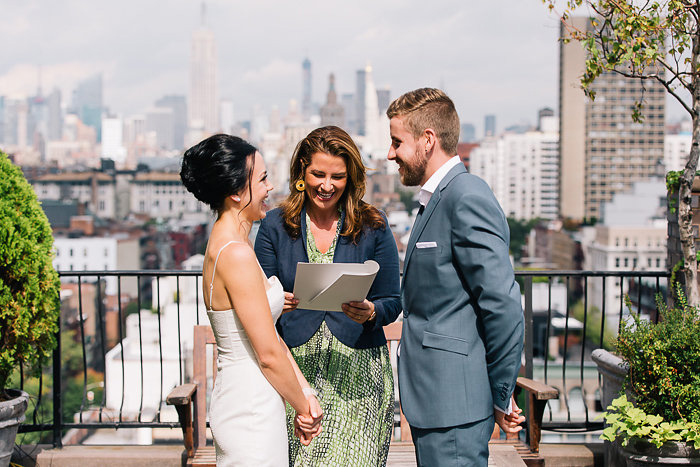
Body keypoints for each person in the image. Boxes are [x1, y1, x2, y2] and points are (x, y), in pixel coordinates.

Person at [386, 88, 526, 467]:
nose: (390, 153)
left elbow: (503, 305)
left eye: (397, 141)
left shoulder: (466, 197)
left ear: (427, 140)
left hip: (455, 410)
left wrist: (501, 392)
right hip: (436, 403)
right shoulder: (436, 198)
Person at [254, 125, 401, 466]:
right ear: (302, 172)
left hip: (359, 377)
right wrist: (278, 304)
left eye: (337, 176)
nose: (326, 185)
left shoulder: (373, 225)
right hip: (297, 376)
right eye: (318, 174)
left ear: (350, 177)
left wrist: (371, 312)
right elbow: (258, 302)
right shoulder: (275, 225)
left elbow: (393, 301)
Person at [180, 134, 322, 467]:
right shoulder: (237, 254)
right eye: (261, 179)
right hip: (250, 408)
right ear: (235, 192)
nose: (270, 187)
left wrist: (306, 396)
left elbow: (270, 338)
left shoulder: (233, 241)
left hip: (256, 399)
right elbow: (269, 353)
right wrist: (303, 408)